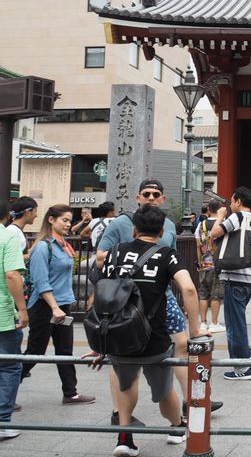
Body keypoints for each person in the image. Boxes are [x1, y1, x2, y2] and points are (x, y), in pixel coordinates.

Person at [96, 179, 215, 421]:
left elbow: (171, 262)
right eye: (146, 194)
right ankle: (122, 413)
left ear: (162, 198)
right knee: (127, 359)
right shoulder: (120, 223)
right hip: (126, 300)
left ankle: (191, 398)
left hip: (163, 296)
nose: (151, 197)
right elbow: (100, 259)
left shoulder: (169, 225)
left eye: (156, 194)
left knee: (181, 345)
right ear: (137, 197)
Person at [20, 204, 95, 405]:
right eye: (65, 220)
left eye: (70, 220)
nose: (68, 224)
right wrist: (54, 307)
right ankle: (7, 388)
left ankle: (70, 393)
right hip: (45, 307)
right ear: (51, 220)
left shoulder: (62, 244)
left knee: (65, 350)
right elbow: (40, 281)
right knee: (35, 352)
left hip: (63, 306)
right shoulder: (43, 247)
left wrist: (62, 306)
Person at [210, 186, 251, 381]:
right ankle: (247, 353)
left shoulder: (239, 217)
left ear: (239, 201)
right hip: (250, 279)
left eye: (231, 201)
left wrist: (219, 216)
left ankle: (242, 367)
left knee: (235, 324)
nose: (230, 205)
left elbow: (214, 233)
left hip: (235, 277)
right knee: (238, 320)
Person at [0, 200, 27, 440]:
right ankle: (1, 422)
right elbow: (12, 274)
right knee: (8, 366)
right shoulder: (7, 238)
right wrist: (23, 309)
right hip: (2, 316)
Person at [194, 200, 225, 333]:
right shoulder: (222, 225)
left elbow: (197, 244)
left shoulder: (201, 224)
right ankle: (214, 322)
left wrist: (200, 261)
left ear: (208, 210)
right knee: (215, 295)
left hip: (204, 265)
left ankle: (202, 322)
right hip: (216, 265)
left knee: (203, 294)